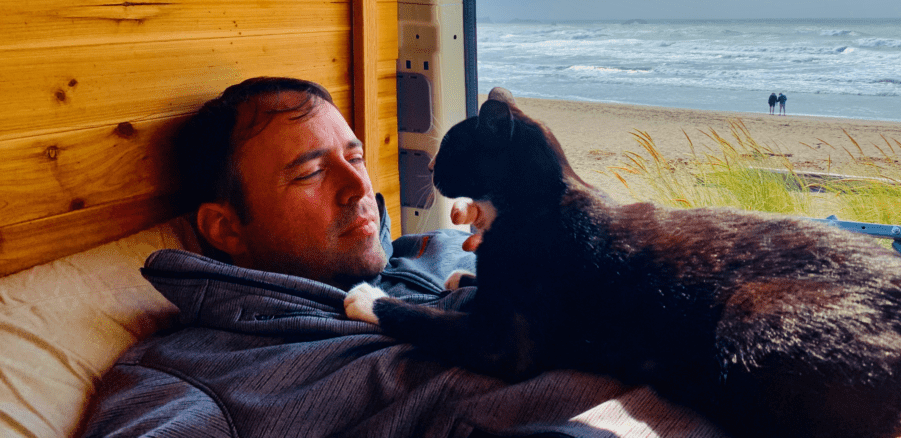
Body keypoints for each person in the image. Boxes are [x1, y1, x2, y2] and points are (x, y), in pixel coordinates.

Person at [79, 77, 697, 438]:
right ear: (226, 228)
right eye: (310, 174)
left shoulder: (435, 251)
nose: (358, 189)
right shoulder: (194, 374)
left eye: (353, 156)